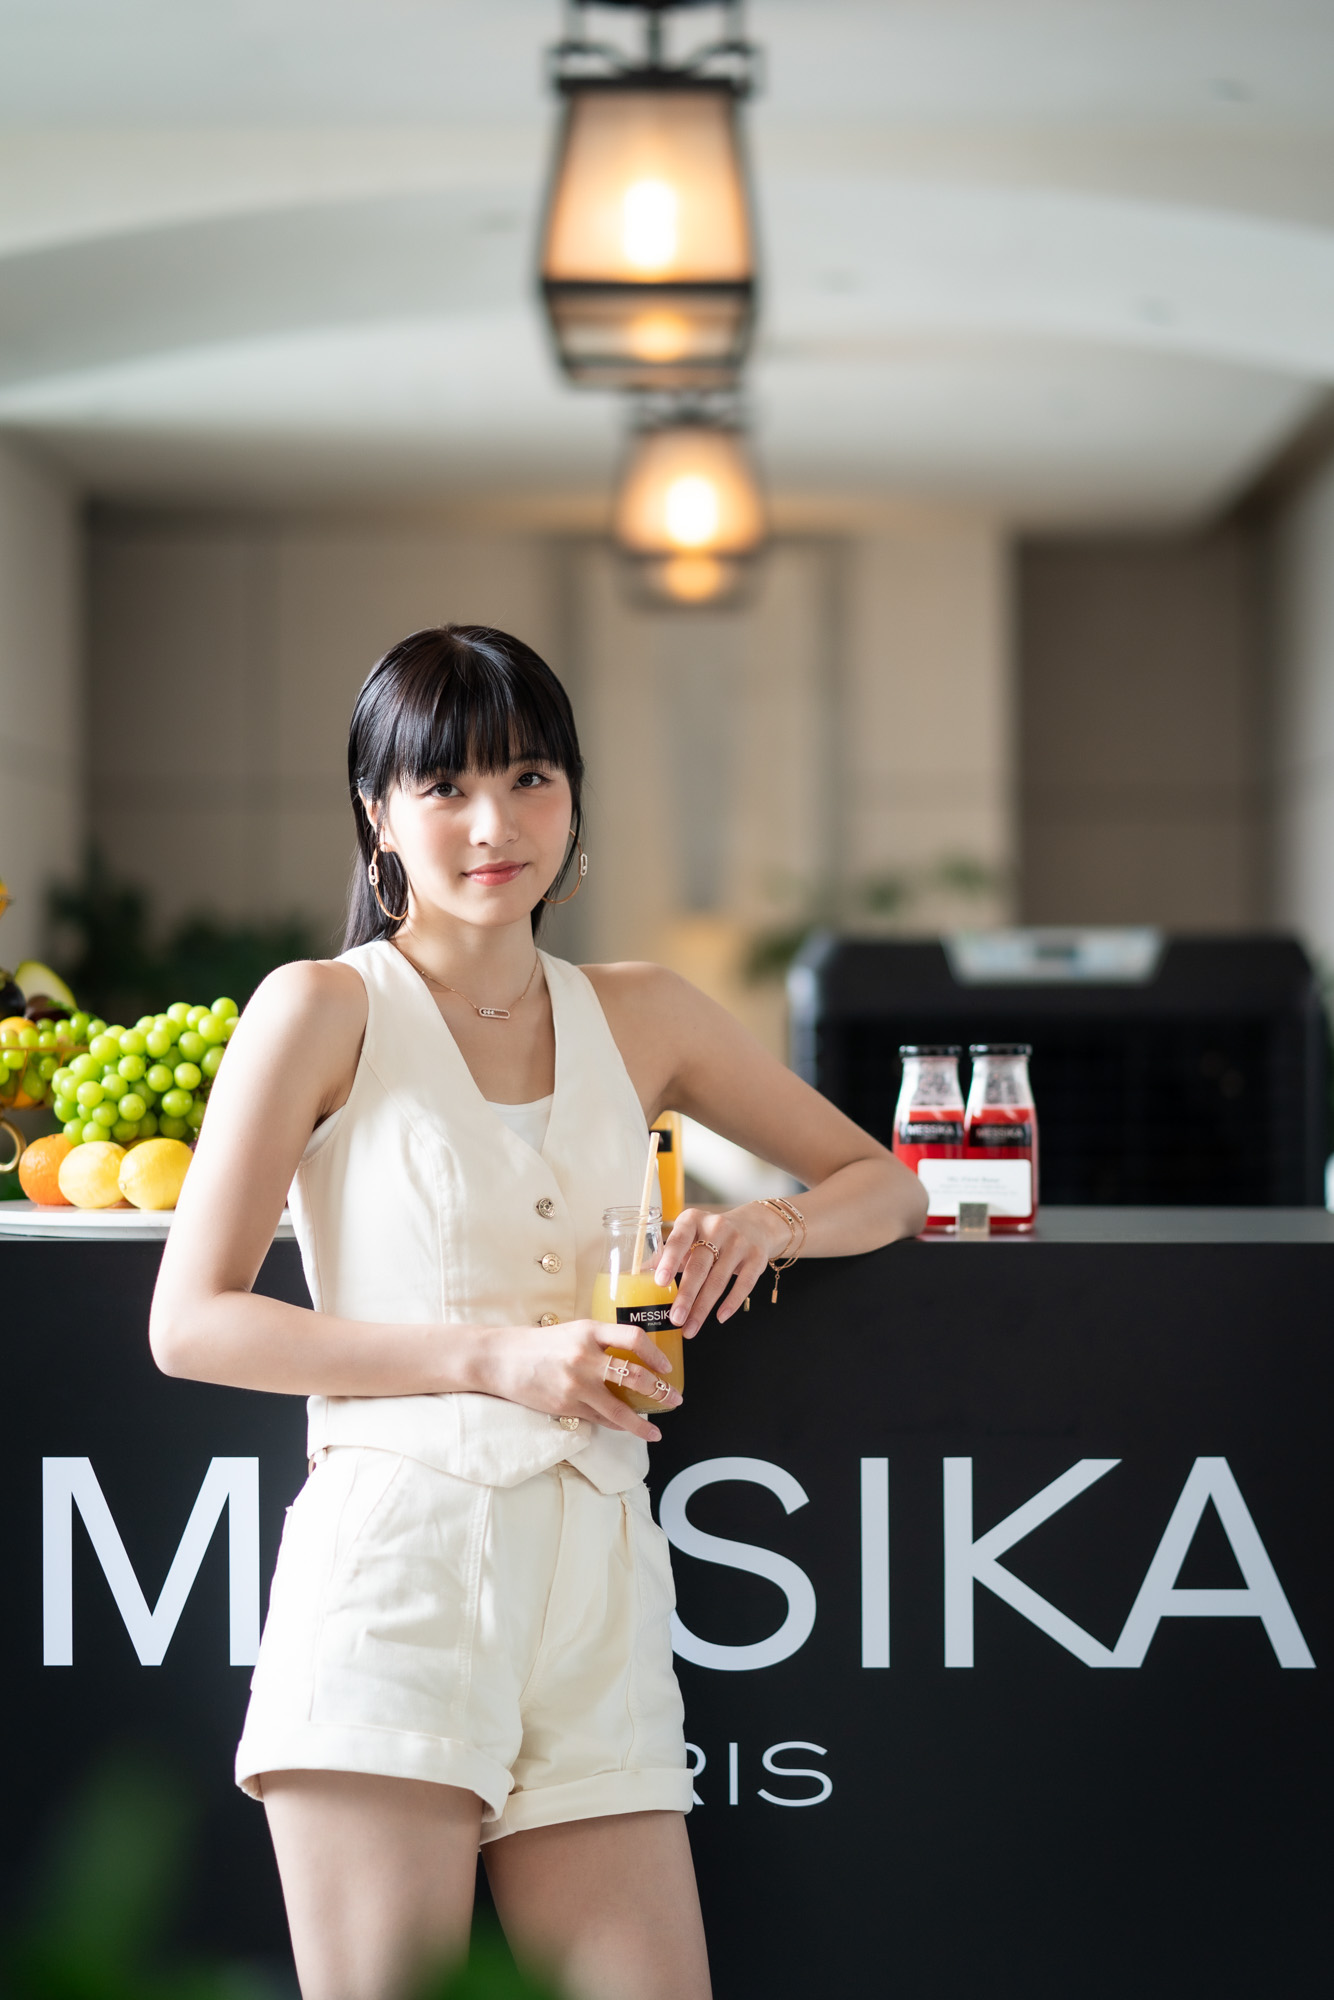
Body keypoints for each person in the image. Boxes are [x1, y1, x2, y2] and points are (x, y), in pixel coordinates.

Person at [149, 624, 927, 2000]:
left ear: (574, 797)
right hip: (399, 1576)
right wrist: (498, 1358)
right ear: (377, 815)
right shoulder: (320, 1008)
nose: (494, 824)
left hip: (599, 1583)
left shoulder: (645, 1012)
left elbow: (889, 1184)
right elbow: (193, 1323)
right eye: (444, 786)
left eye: (529, 778)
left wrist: (770, 1225)